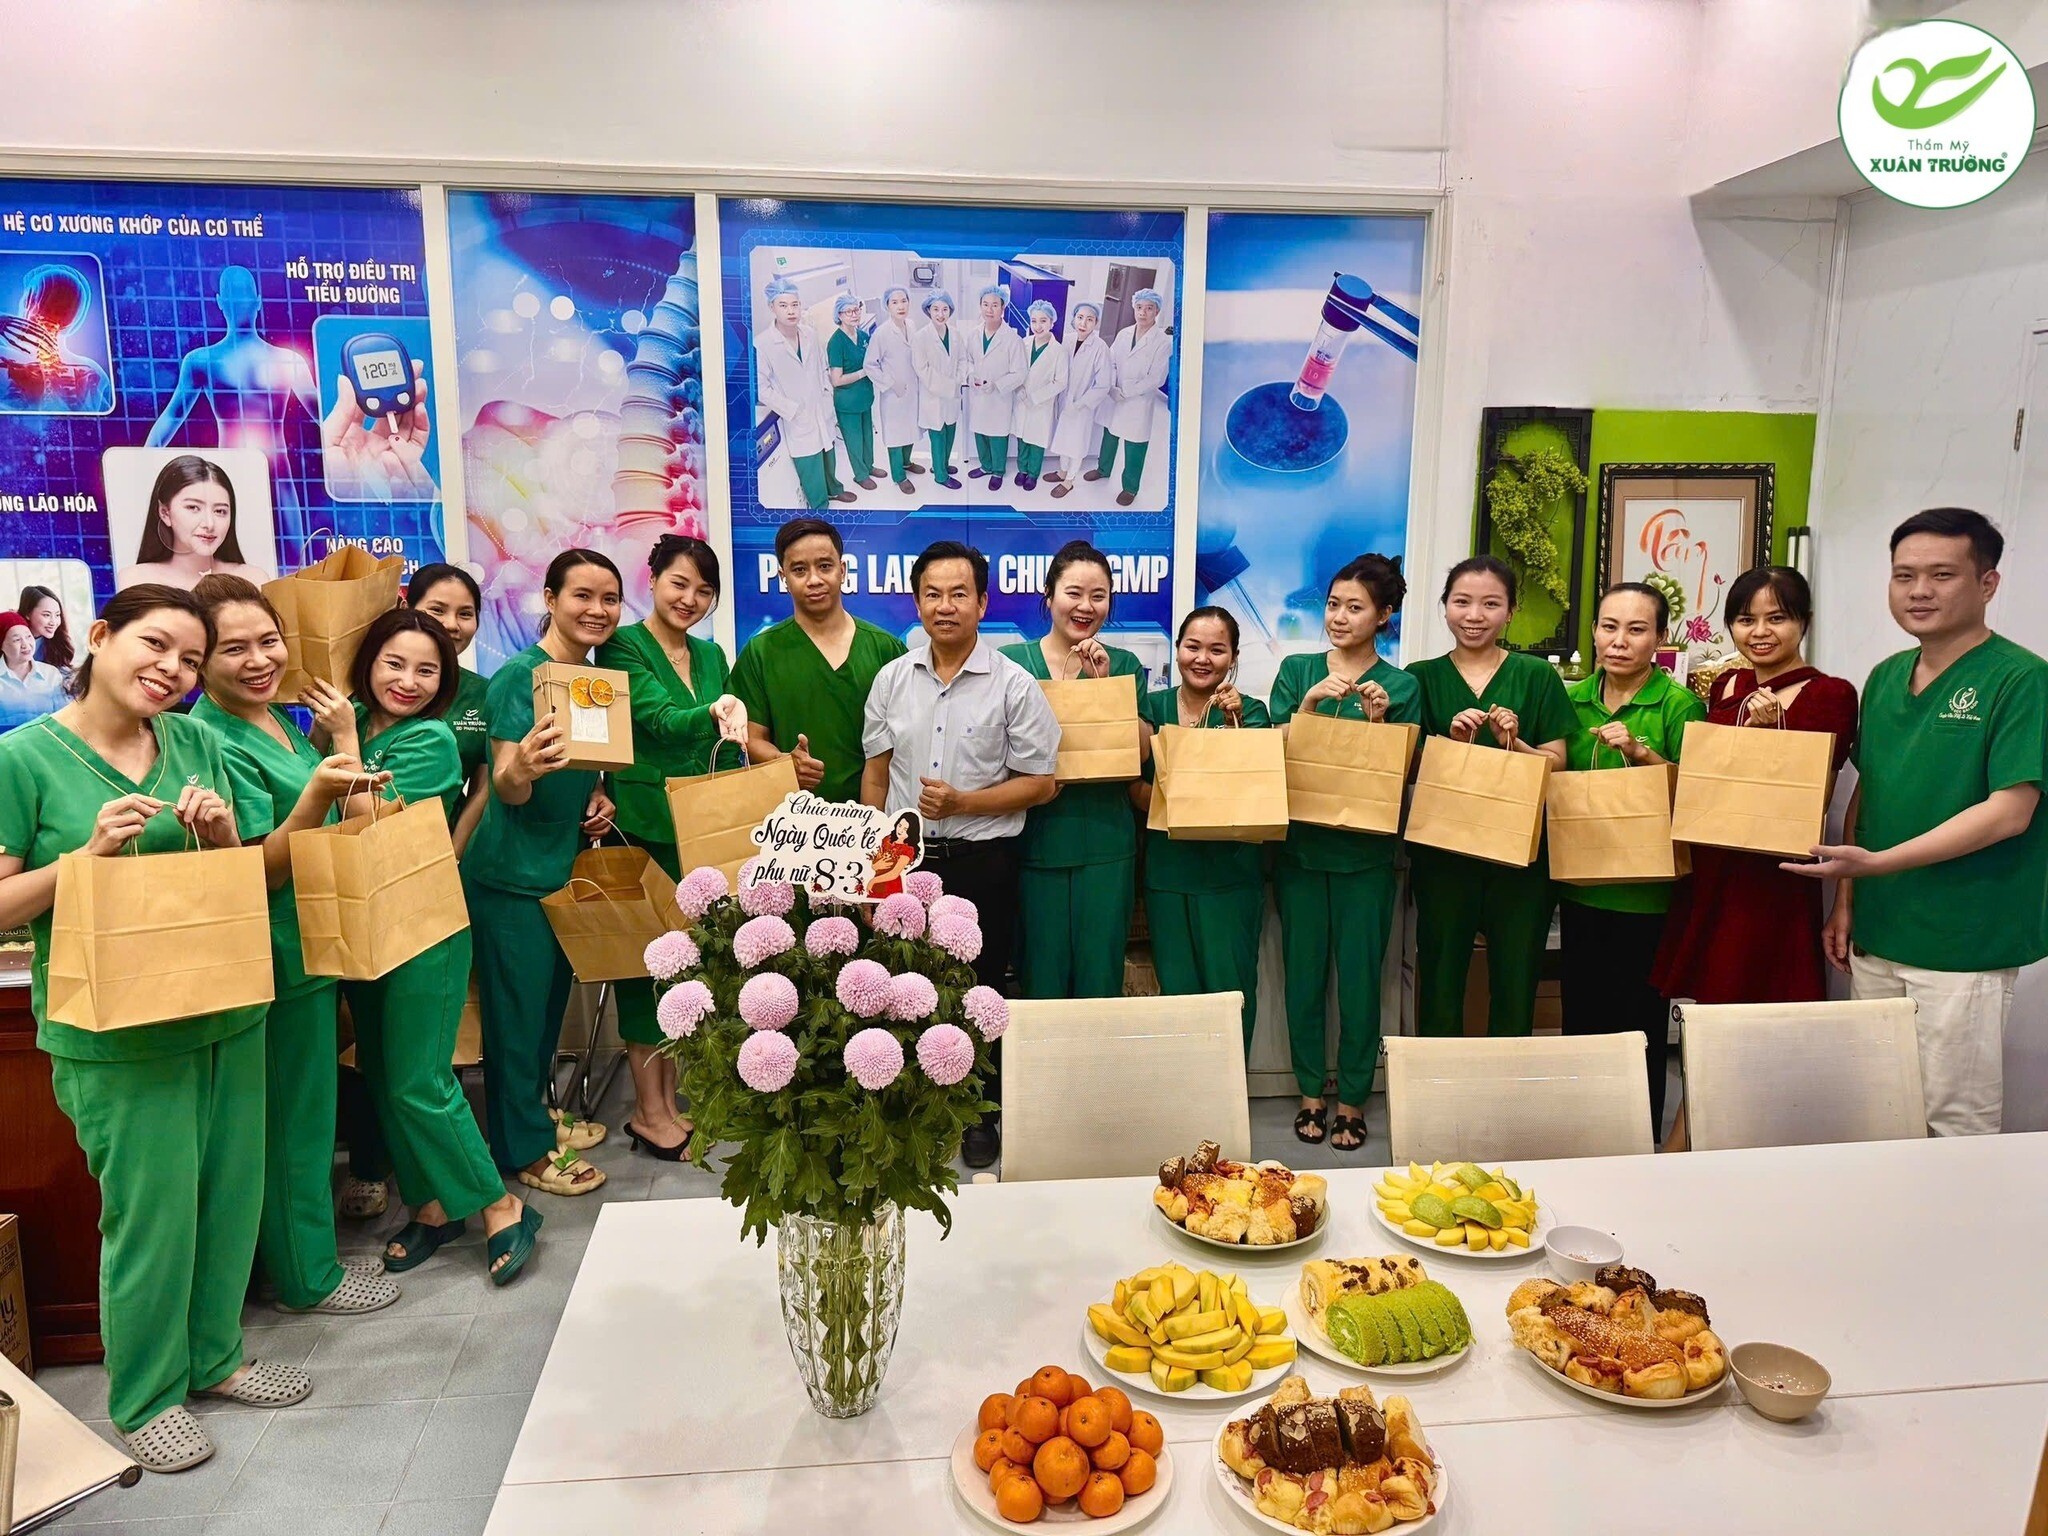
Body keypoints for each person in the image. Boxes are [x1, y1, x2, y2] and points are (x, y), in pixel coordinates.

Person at [0, 586, 308, 1473]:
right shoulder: (24, 760)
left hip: (225, 1006)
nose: (172, 670)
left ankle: (217, 1358)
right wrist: (85, 858)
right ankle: (145, 1396)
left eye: (189, 659)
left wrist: (221, 834)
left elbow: (234, 873)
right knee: (151, 1215)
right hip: (118, 1036)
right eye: (156, 645)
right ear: (100, 636)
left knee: (229, 1196)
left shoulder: (195, 742)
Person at [1794, 508, 2047, 1137]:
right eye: (1904, 575)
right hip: (1879, 933)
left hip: (1962, 940)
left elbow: (2010, 812)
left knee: (1953, 1121)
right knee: (1879, 1109)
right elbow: (1871, 790)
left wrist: (1877, 864)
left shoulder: (2021, 678)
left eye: (1942, 575)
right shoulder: (1884, 677)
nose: (1919, 591)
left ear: (1987, 584)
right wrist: (1847, 898)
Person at [189, 575, 399, 1318]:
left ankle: (299, 1258)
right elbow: (257, 867)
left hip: (308, 944)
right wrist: (318, 795)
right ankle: (307, 1275)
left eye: (269, 641)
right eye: (233, 648)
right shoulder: (213, 737)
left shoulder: (276, 717)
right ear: (198, 659)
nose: (259, 660)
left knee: (306, 1115)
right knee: (291, 1122)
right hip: (273, 951)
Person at [347, 607, 543, 1283]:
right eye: (394, 664)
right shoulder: (352, 718)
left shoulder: (429, 739)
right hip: (361, 920)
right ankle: (430, 1205)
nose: (409, 681)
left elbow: (369, 819)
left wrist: (338, 739)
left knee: (419, 1079)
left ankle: (499, 1204)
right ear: (367, 663)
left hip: (424, 920)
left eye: (427, 670)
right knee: (383, 1077)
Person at [862, 540, 1060, 1167]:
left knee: (981, 990)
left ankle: (979, 1111)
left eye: (958, 594)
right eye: (932, 594)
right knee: (902, 985)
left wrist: (964, 803)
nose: (944, 606)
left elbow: (1042, 783)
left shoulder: (1014, 685)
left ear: (982, 602)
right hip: (904, 860)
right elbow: (876, 776)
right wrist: (872, 869)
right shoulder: (892, 679)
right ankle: (908, 1107)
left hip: (984, 861)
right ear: (917, 602)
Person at [463, 549, 620, 1196]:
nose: (597, 610)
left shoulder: (592, 681)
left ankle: (535, 1116)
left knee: (545, 1016)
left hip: (559, 871)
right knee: (517, 1024)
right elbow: (506, 783)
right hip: (509, 879)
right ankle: (524, 1151)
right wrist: (521, 770)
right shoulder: (516, 678)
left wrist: (597, 795)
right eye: (582, 595)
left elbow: (582, 769)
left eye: (609, 599)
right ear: (550, 599)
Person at [596, 534, 747, 1158]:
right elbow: (655, 718)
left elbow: (727, 741)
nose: (690, 599)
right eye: (679, 583)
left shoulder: (711, 653)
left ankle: (673, 1100)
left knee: (691, 969)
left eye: (703, 591)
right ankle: (648, 1111)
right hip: (644, 827)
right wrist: (713, 713)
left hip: (701, 832)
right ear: (653, 578)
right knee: (643, 968)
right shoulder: (622, 646)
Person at [1268, 556, 1421, 1150]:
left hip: (1368, 858)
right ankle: (1310, 1093)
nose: (1339, 617)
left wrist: (1378, 724)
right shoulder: (1297, 671)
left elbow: (1404, 771)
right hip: (1302, 852)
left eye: (1355, 607)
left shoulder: (1401, 686)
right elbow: (1268, 751)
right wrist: (1307, 708)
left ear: (1384, 616)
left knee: (1360, 985)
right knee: (1303, 979)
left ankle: (1353, 1099)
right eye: (1333, 604)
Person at [1652, 570, 1858, 1000]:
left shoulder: (1831, 694)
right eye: (1746, 620)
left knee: (1762, 992)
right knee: (1709, 999)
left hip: (1772, 872)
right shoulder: (1727, 683)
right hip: (1713, 855)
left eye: (1777, 618)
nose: (1760, 632)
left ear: (1804, 620)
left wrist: (1770, 739)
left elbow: (1817, 799)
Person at [1557, 583, 1705, 1140]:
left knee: (1639, 1025)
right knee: (1582, 1019)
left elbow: (1695, 795)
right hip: (1580, 884)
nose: (1619, 641)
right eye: (1609, 626)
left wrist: (1641, 752)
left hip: (1648, 894)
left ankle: (1637, 1139)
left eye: (1636, 629)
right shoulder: (1570, 699)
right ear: (1594, 632)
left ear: (1660, 638)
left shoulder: (1679, 704)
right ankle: (1581, 1133)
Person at [1406, 556, 1575, 1038]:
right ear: (1444, 607)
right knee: (1440, 977)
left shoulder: (1536, 675)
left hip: (1522, 859)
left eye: (1490, 604)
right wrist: (1450, 743)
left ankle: (1508, 1081)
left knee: (1516, 980)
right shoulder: (1419, 676)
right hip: (1444, 853)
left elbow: (1557, 763)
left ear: (1511, 611)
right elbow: (1405, 765)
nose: (1474, 615)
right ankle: (1437, 1078)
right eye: (1462, 601)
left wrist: (1514, 743)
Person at [1002, 542, 1149, 1000]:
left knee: (1099, 981)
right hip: (1035, 843)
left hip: (1106, 845)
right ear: (1048, 595)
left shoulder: (1123, 665)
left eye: (1098, 596)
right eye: (1074, 593)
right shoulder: (1011, 663)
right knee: (1039, 979)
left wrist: (1103, 688)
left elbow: (1141, 750)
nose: (1086, 606)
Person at [1132, 606, 1269, 1051]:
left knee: (1231, 995)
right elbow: (1132, 785)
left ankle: (1230, 1091)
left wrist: (1235, 728)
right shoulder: (1152, 708)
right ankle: (1186, 1087)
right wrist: (1181, 803)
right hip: (1168, 875)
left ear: (1234, 658)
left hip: (1230, 878)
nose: (1203, 659)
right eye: (1193, 646)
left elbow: (1255, 789)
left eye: (1217, 649)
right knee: (1178, 995)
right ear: (1177, 650)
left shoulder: (1250, 713)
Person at [733, 518, 906, 802]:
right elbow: (751, 736)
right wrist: (784, 763)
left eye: (825, 566)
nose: (814, 580)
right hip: (792, 819)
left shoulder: (886, 649)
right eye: (799, 570)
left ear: (842, 570)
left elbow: (908, 739)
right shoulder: (761, 651)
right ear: (783, 577)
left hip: (875, 815)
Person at [755, 276, 852, 511]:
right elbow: (762, 388)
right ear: (771, 307)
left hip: (820, 406)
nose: (791, 311)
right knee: (810, 462)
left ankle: (834, 489)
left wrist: (827, 394)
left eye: (795, 304)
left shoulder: (809, 333)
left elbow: (823, 366)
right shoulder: (763, 344)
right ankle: (820, 507)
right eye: (783, 305)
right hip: (796, 415)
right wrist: (792, 409)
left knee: (828, 453)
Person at [118, 454, 265, 591]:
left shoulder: (253, 579)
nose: (209, 524)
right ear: (165, 513)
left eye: (220, 511)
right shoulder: (135, 580)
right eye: (193, 508)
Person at [1087, 288, 1171, 507]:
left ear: (1157, 311)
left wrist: (1128, 391)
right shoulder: (1124, 333)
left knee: (1135, 444)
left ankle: (1130, 487)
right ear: (1134, 308)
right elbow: (1111, 361)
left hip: (1138, 401)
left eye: (1149, 308)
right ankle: (1103, 469)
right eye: (1139, 307)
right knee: (1110, 433)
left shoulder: (1162, 341)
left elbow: (1157, 377)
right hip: (1116, 394)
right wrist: (1113, 387)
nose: (1143, 312)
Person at [0, 261, 113, 412]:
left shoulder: (89, 373)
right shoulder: (91, 370)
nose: (50, 313)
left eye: (61, 307)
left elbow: (101, 419)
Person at [865, 285, 926, 492]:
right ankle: (899, 476)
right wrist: (891, 384)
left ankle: (907, 462)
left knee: (911, 429)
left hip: (913, 389)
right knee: (895, 434)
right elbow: (870, 365)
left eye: (904, 301)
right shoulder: (881, 333)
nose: (900, 306)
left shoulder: (911, 324)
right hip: (893, 394)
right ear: (887, 306)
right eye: (895, 302)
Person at [1048, 302, 1112, 499]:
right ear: (1074, 319)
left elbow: (1103, 384)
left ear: (1096, 323)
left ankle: (1069, 481)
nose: (1083, 323)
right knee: (1063, 437)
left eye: (1089, 319)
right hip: (1064, 399)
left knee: (1076, 443)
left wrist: (1082, 403)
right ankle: (1062, 472)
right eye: (1080, 317)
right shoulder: (1067, 340)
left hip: (1083, 405)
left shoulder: (1100, 347)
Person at [964, 285, 1025, 490]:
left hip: (999, 397)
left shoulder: (1013, 339)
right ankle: (986, 466)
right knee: (980, 431)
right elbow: (967, 360)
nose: (989, 310)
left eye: (995, 305)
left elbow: (1020, 372)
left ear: (1003, 308)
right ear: (980, 306)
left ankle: (998, 470)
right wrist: (970, 375)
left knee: (998, 435)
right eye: (985, 304)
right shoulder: (973, 334)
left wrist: (998, 385)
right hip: (978, 393)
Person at [1012, 301, 1069, 492]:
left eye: (1043, 321)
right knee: (1022, 438)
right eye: (1034, 321)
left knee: (1036, 440)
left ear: (1052, 322)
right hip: (1022, 400)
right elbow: (1016, 370)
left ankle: (1032, 474)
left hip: (1042, 404)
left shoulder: (1059, 351)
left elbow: (1060, 382)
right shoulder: (1024, 343)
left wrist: (1036, 397)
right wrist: (1019, 389)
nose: (1038, 326)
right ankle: (1022, 470)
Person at [912, 290, 967, 490]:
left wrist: (958, 379)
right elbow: (922, 369)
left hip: (952, 395)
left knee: (950, 430)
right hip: (933, 395)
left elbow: (963, 360)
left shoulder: (956, 334)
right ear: (928, 310)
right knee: (937, 434)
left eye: (945, 309)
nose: (940, 314)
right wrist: (948, 386)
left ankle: (942, 464)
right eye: (936, 309)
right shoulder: (920, 337)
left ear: (950, 311)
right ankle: (940, 476)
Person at [826, 294, 878, 491]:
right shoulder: (836, 342)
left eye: (856, 309)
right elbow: (836, 380)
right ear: (839, 315)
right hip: (847, 402)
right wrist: (863, 372)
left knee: (867, 435)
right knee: (854, 440)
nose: (854, 314)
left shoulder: (863, 336)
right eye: (848, 311)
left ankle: (869, 466)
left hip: (865, 396)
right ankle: (860, 475)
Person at [0, 609, 66, 732]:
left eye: (28, 636)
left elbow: (63, 717)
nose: (26, 645)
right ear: (2, 645)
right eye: (16, 640)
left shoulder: (51, 674)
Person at [18, 584, 75, 673]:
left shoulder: (56, 643)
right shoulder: (12, 642)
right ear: (28, 613)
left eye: (57, 615)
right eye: (46, 615)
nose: (53, 622)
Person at [868, 810, 922, 899]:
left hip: (891, 886)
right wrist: (875, 866)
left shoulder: (907, 850)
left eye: (905, 829)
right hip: (877, 882)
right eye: (900, 825)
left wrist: (873, 881)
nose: (900, 830)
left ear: (911, 831)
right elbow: (876, 859)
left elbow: (894, 873)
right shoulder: (887, 839)